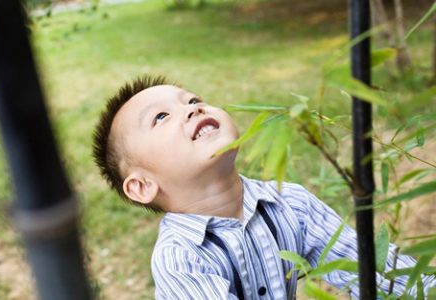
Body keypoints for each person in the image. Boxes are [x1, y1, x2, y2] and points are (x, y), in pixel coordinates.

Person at [92, 75, 434, 299]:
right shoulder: (180, 258)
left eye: (193, 99)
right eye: (161, 117)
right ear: (142, 187)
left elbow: (379, 275)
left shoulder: (291, 204)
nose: (192, 109)